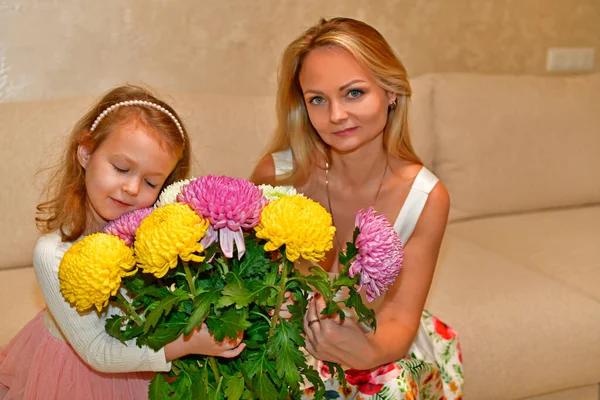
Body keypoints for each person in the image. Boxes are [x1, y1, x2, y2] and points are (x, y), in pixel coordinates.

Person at [251, 17, 463, 399]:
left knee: (391, 385)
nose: (335, 115)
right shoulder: (277, 175)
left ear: (391, 91)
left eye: (353, 93)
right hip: (288, 342)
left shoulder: (425, 197)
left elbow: (398, 318)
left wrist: (369, 352)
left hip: (380, 336)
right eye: (318, 99)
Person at [0, 85, 245, 400]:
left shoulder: (157, 236)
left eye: (150, 182)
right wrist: (188, 344)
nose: (131, 188)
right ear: (85, 153)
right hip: (81, 373)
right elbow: (98, 351)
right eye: (121, 168)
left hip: (150, 356)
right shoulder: (53, 253)